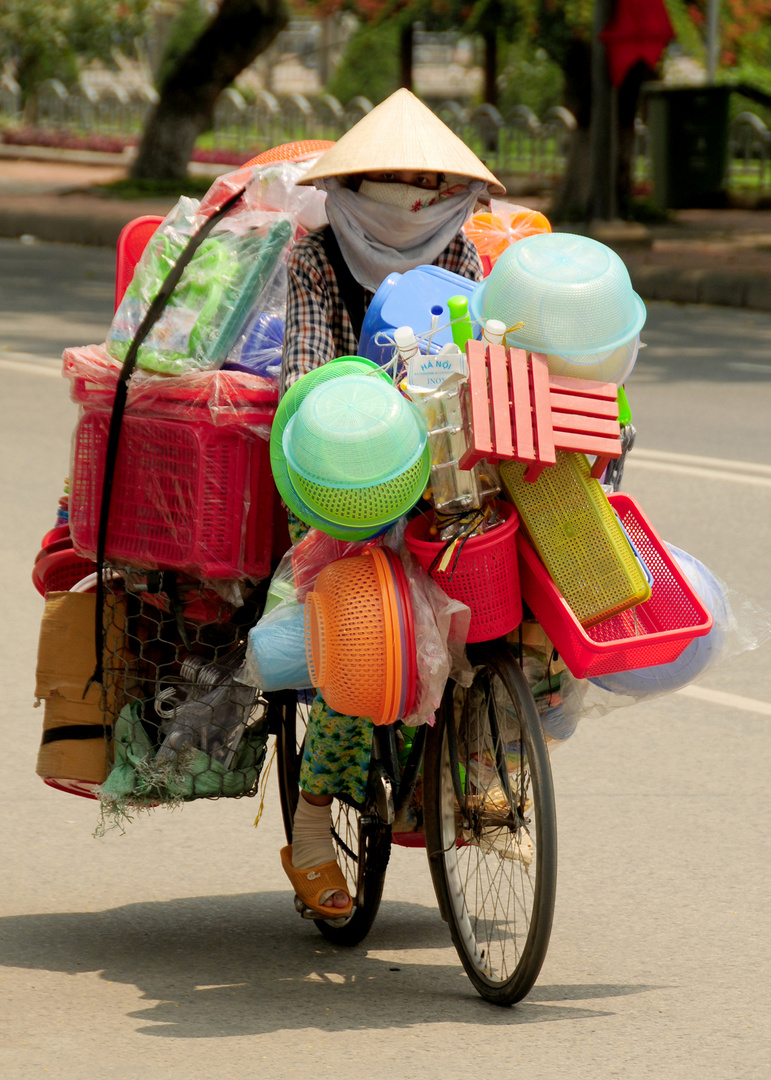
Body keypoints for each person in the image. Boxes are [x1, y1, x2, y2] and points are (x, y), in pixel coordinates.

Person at [278, 88, 504, 919]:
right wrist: (361, 432)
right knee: (372, 646)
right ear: (359, 182)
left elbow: (484, 356)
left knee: (503, 613)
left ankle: (478, 769)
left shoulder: (463, 258)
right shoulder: (314, 256)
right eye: (396, 179)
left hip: (444, 467)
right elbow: (304, 377)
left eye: (430, 181)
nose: (415, 197)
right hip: (343, 480)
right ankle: (309, 831)